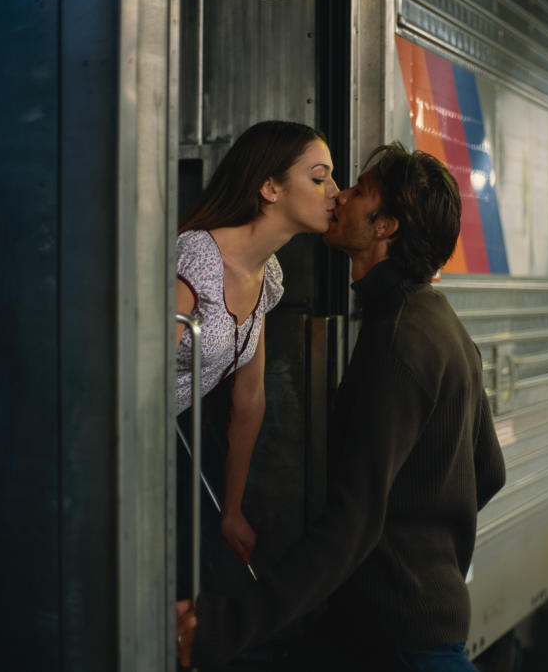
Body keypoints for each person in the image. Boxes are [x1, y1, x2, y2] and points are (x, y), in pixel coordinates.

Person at [176, 143, 506, 670]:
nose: (341, 196)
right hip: (399, 629)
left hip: (396, 640)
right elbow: (488, 471)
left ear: (384, 227)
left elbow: (353, 522)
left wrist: (225, 626)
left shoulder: (399, 342)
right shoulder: (434, 321)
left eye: (359, 191)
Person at [175, 120, 339, 566]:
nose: (336, 192)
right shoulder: (195, 258)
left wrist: (232, 510)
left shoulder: (269, 274)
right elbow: (133, 377)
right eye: (319, 178)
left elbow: (250, 398)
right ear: (270, 187)